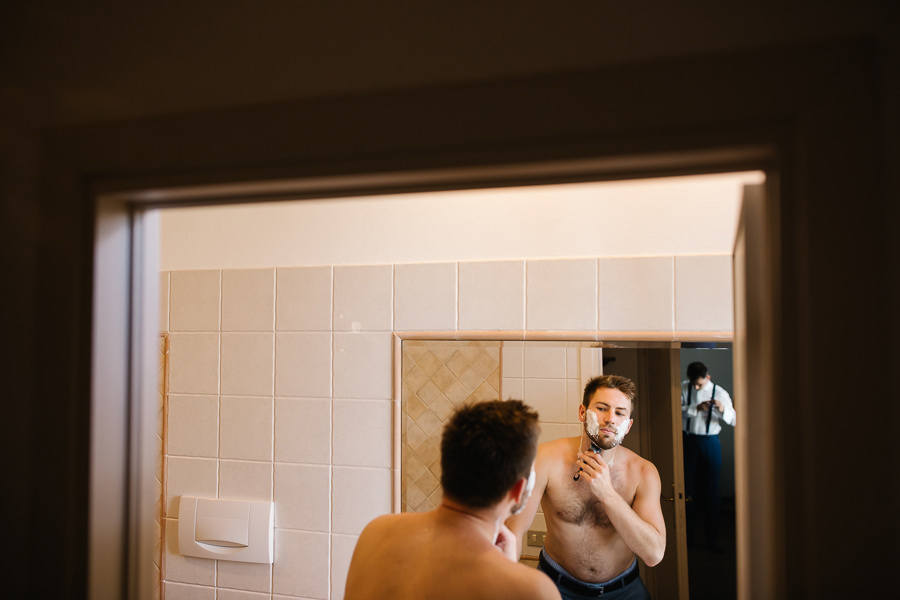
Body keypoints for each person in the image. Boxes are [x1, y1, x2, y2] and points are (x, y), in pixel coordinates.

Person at [344, 399, 562, 600]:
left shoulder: (375, 532)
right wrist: (509, 570)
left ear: (448, 464)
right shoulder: (533, 590)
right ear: (518, 489)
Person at [507, 375, 665, 600]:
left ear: (628, 425)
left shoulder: (643, 473)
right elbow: (513, 532)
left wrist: (608, 495)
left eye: (620, 413)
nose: (611, 419)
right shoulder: (543, 459)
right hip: (555, 587)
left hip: (624, 592)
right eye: (602, 408)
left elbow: (653, 554)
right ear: (583, 412)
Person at [681, 361, 736, 552]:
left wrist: (722, 410)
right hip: (687, 441)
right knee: (686, 490)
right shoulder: (683, 388)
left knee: (712, 490)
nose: (696, 387)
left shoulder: (719, 393)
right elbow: (674, 411)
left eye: (700, 384)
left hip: (710, 442)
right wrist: (696, 409)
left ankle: (711, 540)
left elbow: (734, 419)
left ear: (708, 378)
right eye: (693, 384)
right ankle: (687, 539)